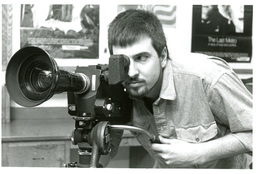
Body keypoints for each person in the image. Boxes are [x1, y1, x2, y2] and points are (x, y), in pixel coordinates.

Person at [107, 9, 252, 168]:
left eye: (141, 58)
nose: (132, 73)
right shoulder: (118, 89)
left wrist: (199, 154)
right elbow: (103, 155)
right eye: (123, 62)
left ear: (162, 57)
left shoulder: (207, 77)